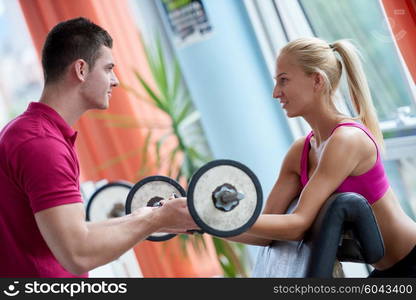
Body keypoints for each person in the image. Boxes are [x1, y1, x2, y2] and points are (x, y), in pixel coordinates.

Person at [0, 17, 197, 277]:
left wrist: (149, 216)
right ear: (81, 70)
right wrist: (156, 220)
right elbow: (78, 253)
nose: (115, 81)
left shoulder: (37, 133)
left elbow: (78, 232)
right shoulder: (41, 144)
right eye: (108, 69)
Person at [228, 37, 416, 277]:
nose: (276, 93)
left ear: (317, 80)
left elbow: (297, 224)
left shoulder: (347, 140)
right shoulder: (300, 152)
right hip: (386, 272)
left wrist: (217, 219)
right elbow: (264, 231)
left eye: (283, 80)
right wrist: (200, 222)